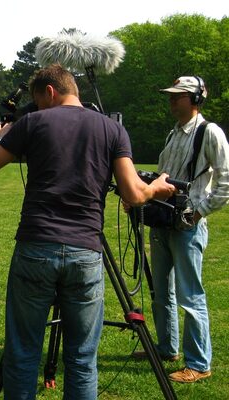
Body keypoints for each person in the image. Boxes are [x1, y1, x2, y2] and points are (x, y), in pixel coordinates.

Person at [0, 64, 176, 399]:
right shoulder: (112, 129)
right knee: (82, 358)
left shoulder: (32, 123)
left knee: (23, 352)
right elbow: (135, 195)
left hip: (36, 246)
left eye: (38, 101)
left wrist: (0, 134)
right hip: (85, 251)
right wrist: (158, 188)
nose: (37, 108)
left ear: (49, 92)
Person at [133, 76, 229, 383]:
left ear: (196, 99)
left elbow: (226, 181)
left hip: (187, 224)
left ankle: (199, 363)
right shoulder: (173, 134)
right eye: (171, 96)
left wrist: (199, 213)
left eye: (179, 96)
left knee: (190, 296)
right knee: (160, 291)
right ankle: (166, 348)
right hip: (161, 220)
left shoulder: (209, 132)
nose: (172, 101)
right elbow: (162, 177)